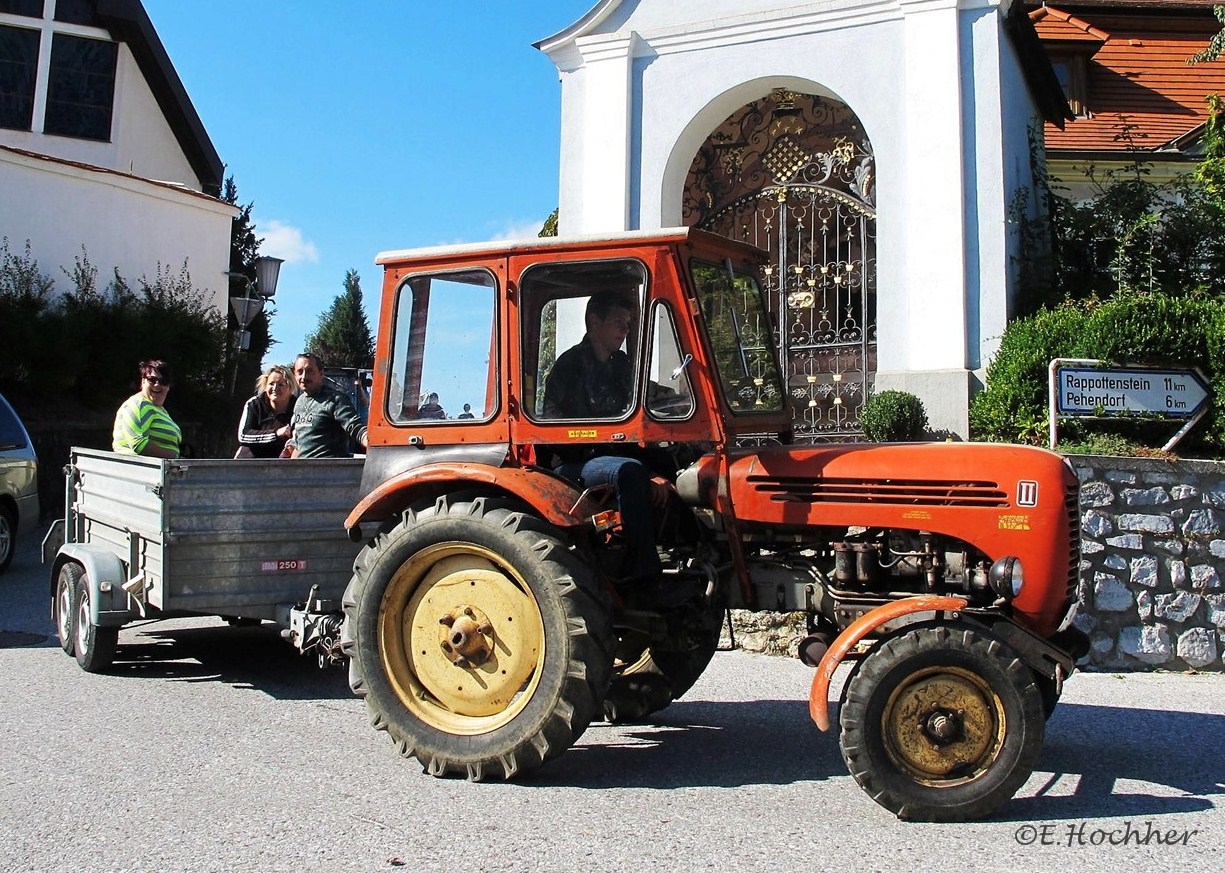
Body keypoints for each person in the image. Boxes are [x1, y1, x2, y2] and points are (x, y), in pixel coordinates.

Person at [542, 292, 682, 604]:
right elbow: (566, 434)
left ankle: (684, 554)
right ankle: (643, 572)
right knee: (630, 472)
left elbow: (651, 393)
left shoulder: (620, 365)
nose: (625, 332)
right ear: (594, 322)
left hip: (610, 454)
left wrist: (682, 398)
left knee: (673, 461)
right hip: (573, 461)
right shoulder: (569, 367)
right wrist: (646, 474)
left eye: (629, 325)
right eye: (620, 324)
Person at [289, 353, 368, 458]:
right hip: (304, 471)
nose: (304, 377)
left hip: (329, 470)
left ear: (321, 374)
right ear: (294, 375)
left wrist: (372, 442)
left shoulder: (335, 400)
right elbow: (299, 444)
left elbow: (356, 428)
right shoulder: (299, 402)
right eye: (300, 372)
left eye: (310, 371)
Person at [112, 359, 181, 459]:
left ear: (168, 386)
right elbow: (138, 443)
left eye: (163, 381)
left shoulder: (160, 410)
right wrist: (174, 457)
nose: (157, 385)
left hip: (162, 470)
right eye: (152, 380)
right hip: (140, 470)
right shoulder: (139, 403)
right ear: (143, 382)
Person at [235, 365, 295, 458]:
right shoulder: (254, 404)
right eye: (271, 384)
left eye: (281, 385)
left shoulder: (298, 406)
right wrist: (276, 434)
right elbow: (244, 436)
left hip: (285, 459)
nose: (275, 388)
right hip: (256, 457)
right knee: (244, 450)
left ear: (290, 387)